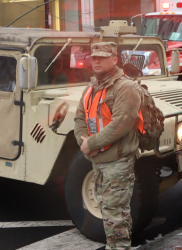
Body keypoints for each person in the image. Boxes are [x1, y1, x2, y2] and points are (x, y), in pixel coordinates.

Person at [74, 42, 144, 250]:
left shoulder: (126, 87)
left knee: (117, 216)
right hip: (98, 160)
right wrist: (84, 142)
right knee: (107, 211)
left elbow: (122, 123)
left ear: (115, 60)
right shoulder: (91, 88)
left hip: (118, 162)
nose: (96, 61)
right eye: (94, 57)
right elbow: (79, 118)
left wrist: (91, 144)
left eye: (102, 57)